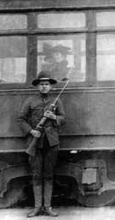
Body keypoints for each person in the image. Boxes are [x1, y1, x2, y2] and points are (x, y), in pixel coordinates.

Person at [17, 71, 65, 218]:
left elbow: (64, 118)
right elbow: (20, 119)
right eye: (41, 84)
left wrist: (54, 117)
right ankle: (37, 208)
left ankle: (48, 207)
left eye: (47, 84)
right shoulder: (30, 101)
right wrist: (31, 131)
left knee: (49, 175)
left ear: (50, 86)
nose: (44, 87)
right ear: (37, 86)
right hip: (35, 142)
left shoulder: (56, 101)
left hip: (51, 143)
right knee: (36, 175)